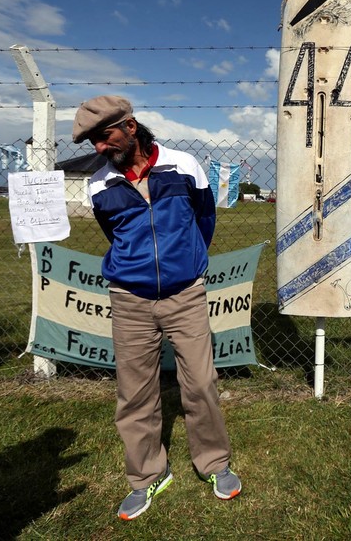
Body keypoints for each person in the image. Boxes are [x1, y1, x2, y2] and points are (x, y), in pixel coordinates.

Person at [72, 95, 240, 520]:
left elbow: (205, 220)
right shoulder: (98, 184)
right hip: (129, 300)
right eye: (91, 140)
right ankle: (147, 475)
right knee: (134, 393)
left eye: (103, 135)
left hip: (185, 295)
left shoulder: (184, 166)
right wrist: (142, 269)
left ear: (130, 127)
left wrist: (187, 265)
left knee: (201, 382)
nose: (97, 147)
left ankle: (215, 463)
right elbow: (115, 234)